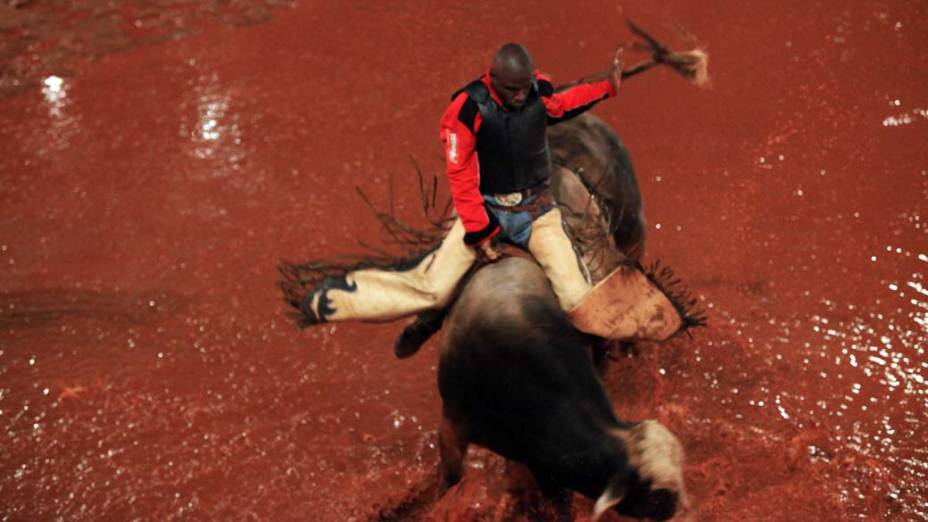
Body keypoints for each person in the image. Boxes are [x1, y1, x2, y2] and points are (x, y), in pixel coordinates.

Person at [288, 43, 625, 349]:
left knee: (577, 299)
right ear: (493, 80)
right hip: (487, 210)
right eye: (513, 90)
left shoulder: (537, 94)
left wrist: (607, 86)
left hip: (537, 212)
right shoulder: (466, 110)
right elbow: (460, 174)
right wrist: (480, 230)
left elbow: (565, 103)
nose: (521, 97)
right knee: (433, 288)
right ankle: (344, 300)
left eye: (524, 89)